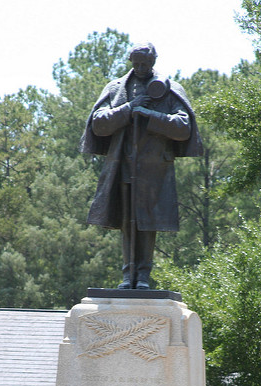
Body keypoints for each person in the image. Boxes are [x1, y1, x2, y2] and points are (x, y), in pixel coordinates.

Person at [81, 42, 202, 289]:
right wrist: (128, 109)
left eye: (145, 63)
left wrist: (150, 115)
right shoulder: (116, 88)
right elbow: (99, 123)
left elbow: (183, 127)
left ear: (154, 61)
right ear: (130, 61)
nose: (140, 67)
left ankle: (143, 276)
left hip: (154, 168)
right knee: (127, 221)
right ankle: (128, 276)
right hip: (123, 165)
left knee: (147, 221)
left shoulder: (169, 89)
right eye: (136, 63)